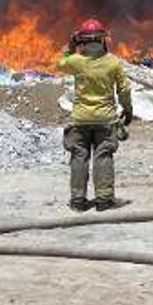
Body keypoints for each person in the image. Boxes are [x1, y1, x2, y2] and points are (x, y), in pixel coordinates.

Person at [56, 18, 134, 212]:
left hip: (80, 119)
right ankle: (104, 200)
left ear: (82, 41)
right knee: (103, 156)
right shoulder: (112, 62)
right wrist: (128, 109)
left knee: (78, 157)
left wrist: (70, 46)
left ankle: (78, 201)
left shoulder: (76, 61)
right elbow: (124, 90)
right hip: (105, 120)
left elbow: (60, 63)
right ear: (103, 40)